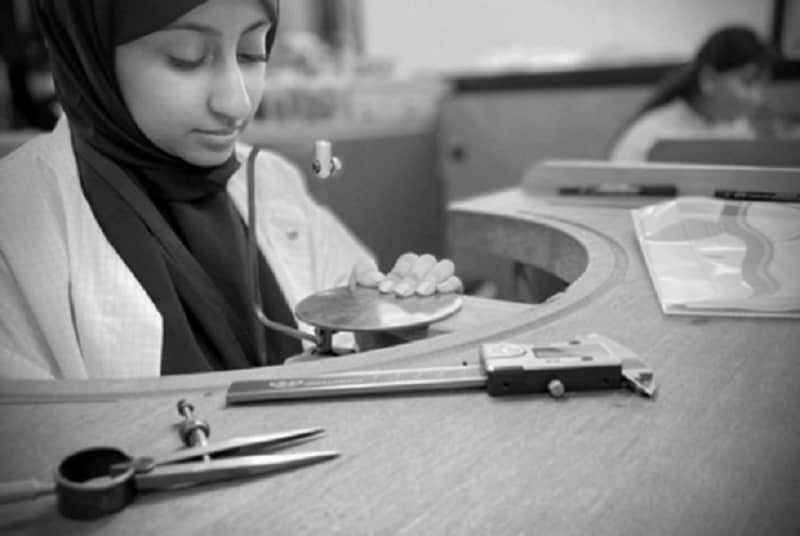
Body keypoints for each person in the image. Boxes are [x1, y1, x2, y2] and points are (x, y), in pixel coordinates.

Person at [0, 0, 461, 380]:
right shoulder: (17, 220)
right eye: (186, 57)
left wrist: (385, 326)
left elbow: (352, 332)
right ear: (91, 54)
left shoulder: (270, 181)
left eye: (252, 53)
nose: (236, 102)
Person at [610, 26, 774, 162]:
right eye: (747, 82)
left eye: (763, 87)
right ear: (708, 78)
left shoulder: (739, 129)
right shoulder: (652, 136)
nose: (757, 98)